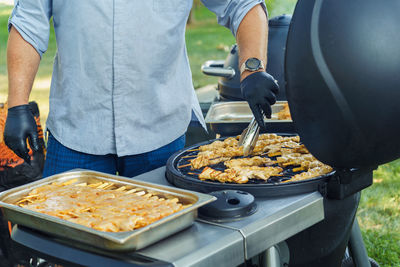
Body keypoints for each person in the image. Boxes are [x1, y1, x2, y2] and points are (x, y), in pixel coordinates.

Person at [4, 0, 279, 178]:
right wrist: (16, 104)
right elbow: (29, 21)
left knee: (157, 250)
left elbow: (242, 5)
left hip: (160, 133)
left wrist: (252, 68)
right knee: (69, 246)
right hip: (76, 133)